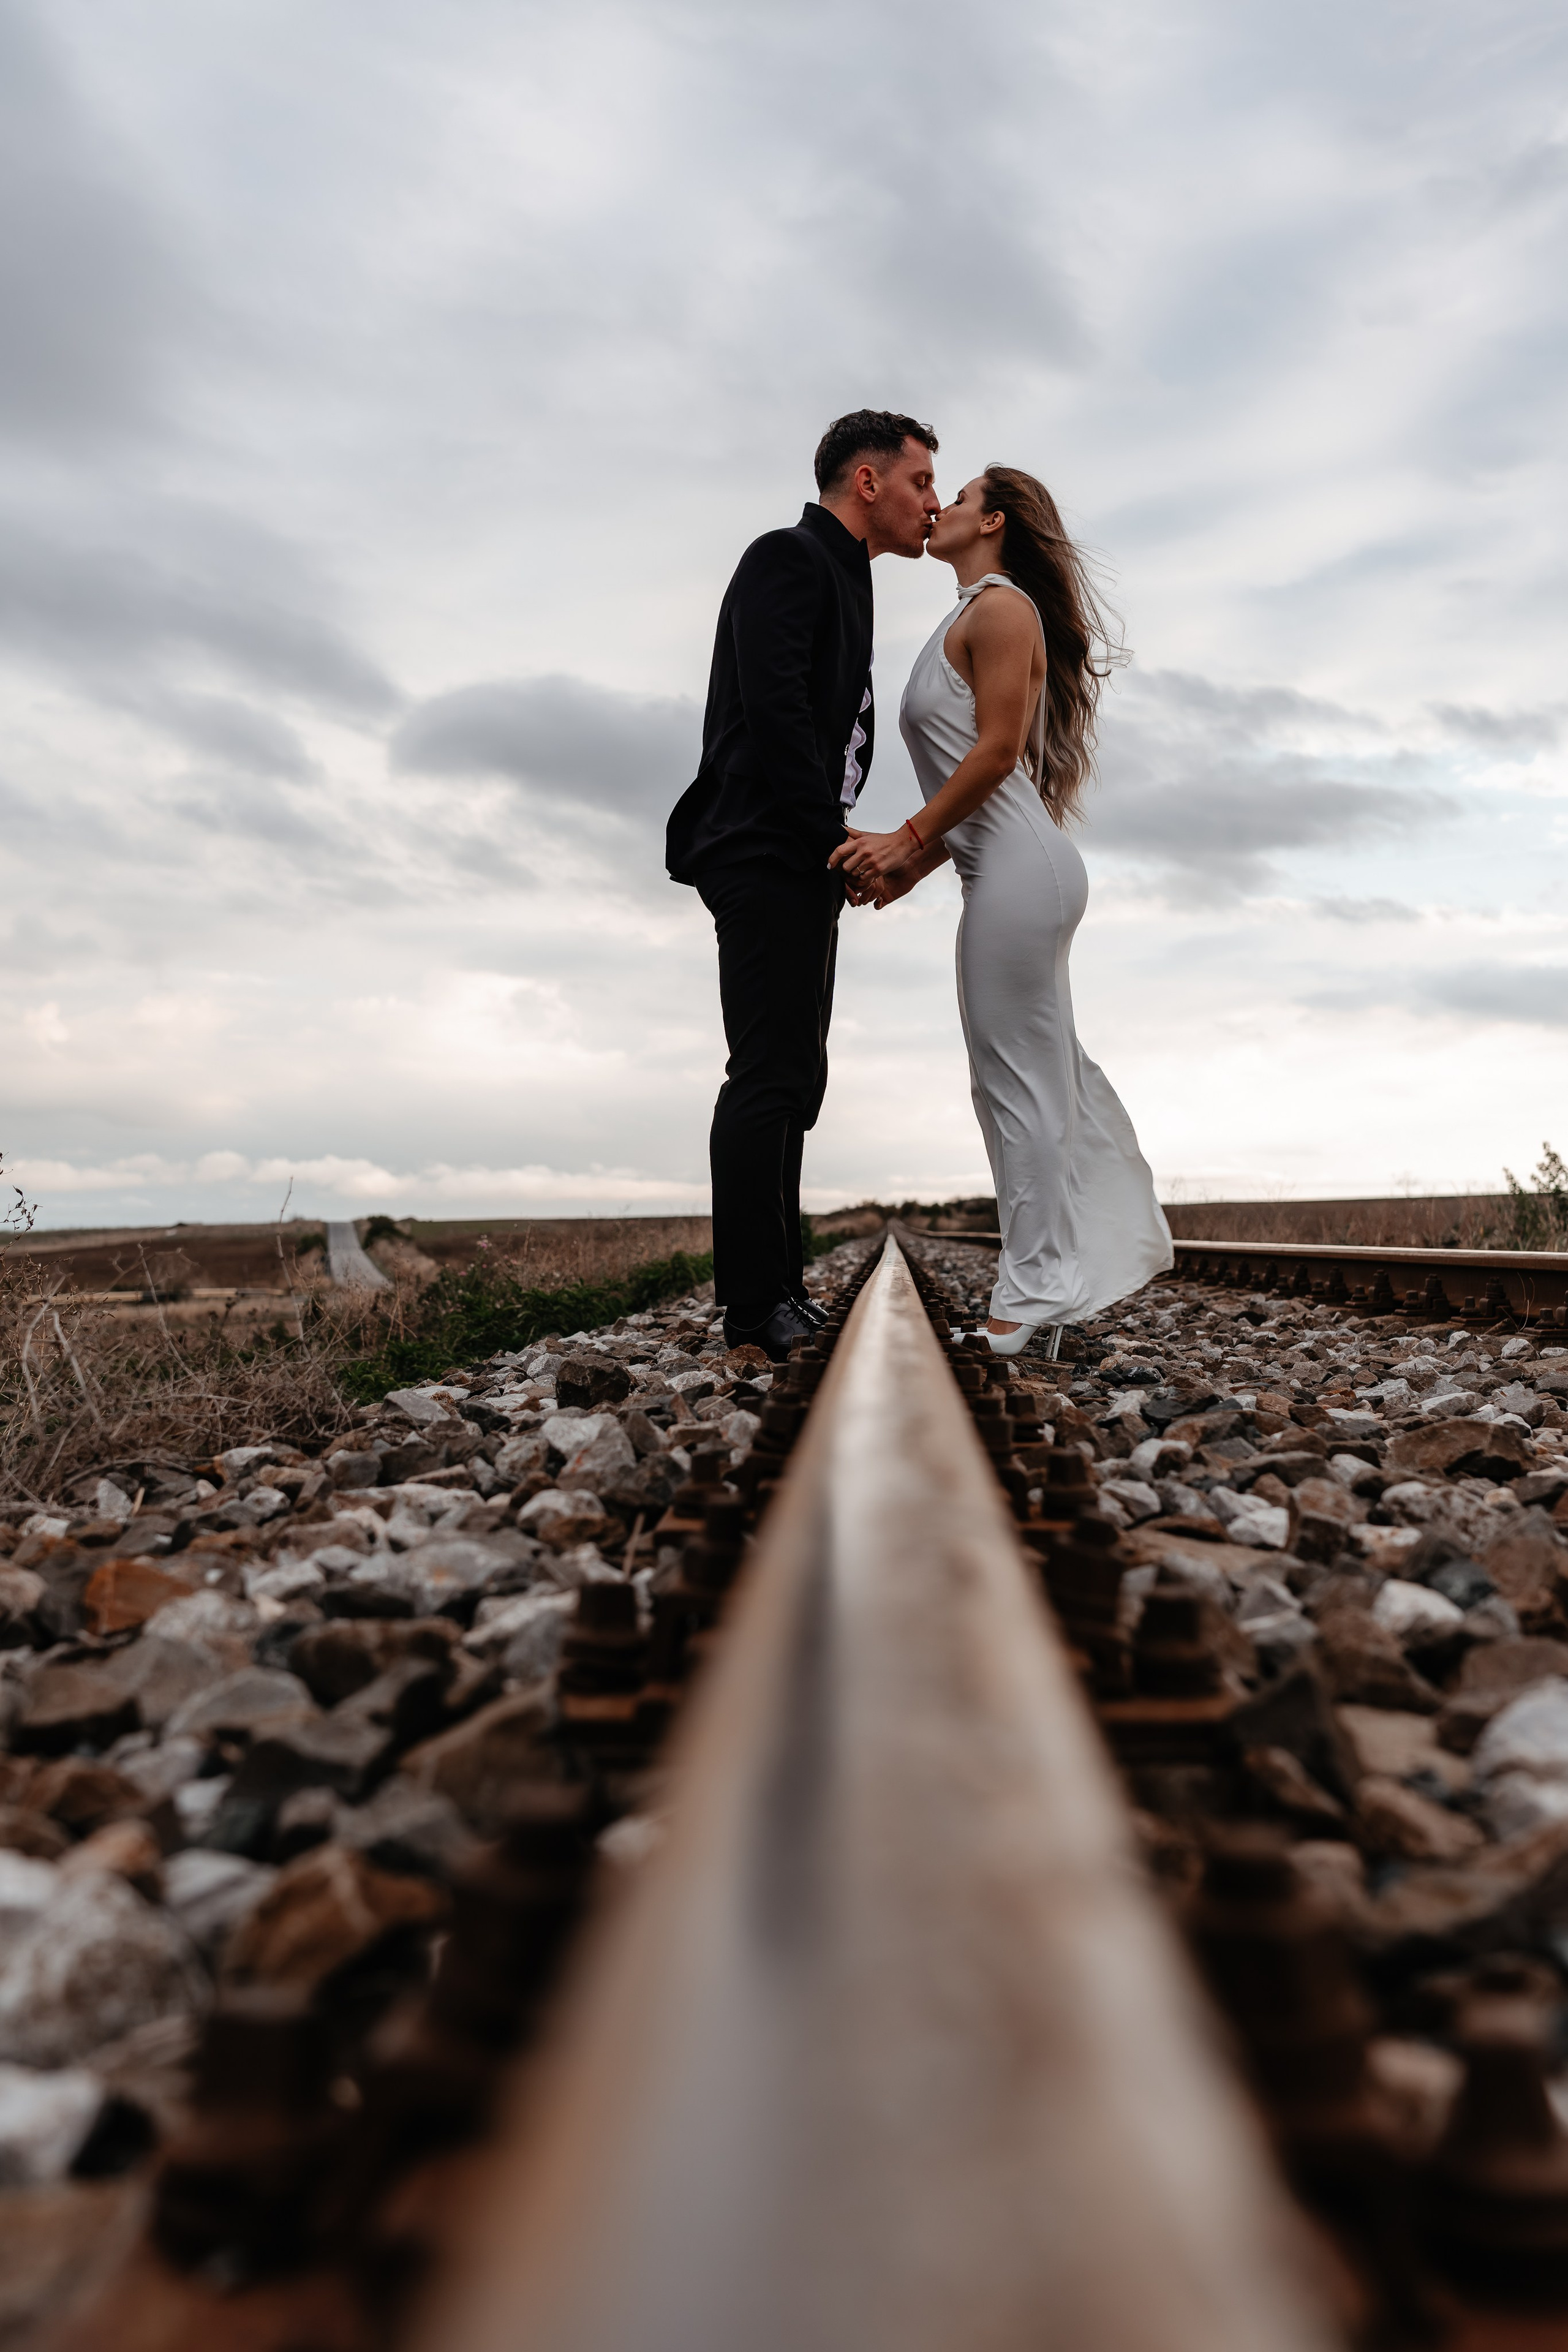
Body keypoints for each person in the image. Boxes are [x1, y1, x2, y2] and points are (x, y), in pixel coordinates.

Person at [831, 466, 1172, 1355]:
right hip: (1002, 869)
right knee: (1023, 1083)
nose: (938, 505)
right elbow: (978, 776)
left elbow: (996, 755)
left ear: (994, 521)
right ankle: (1053, 1281)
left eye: (958, 493)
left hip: (1020, 872)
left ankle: (1031, 1295)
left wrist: (907, 839)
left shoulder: (1002, 608)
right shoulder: (970, 613)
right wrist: (915, 863)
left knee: (1019, 1087)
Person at [668, 409, 940, 1360]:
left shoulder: (845, 576)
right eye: (919, 483)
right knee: (769, 1073)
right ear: (867, 482)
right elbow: (778, 710)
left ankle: (779, 1288)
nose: (931, 504)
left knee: (797, 1079)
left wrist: (833, 848)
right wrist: (835, 841)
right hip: (765, 846)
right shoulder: (787, 556)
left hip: (798, 852)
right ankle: (753, 1310)